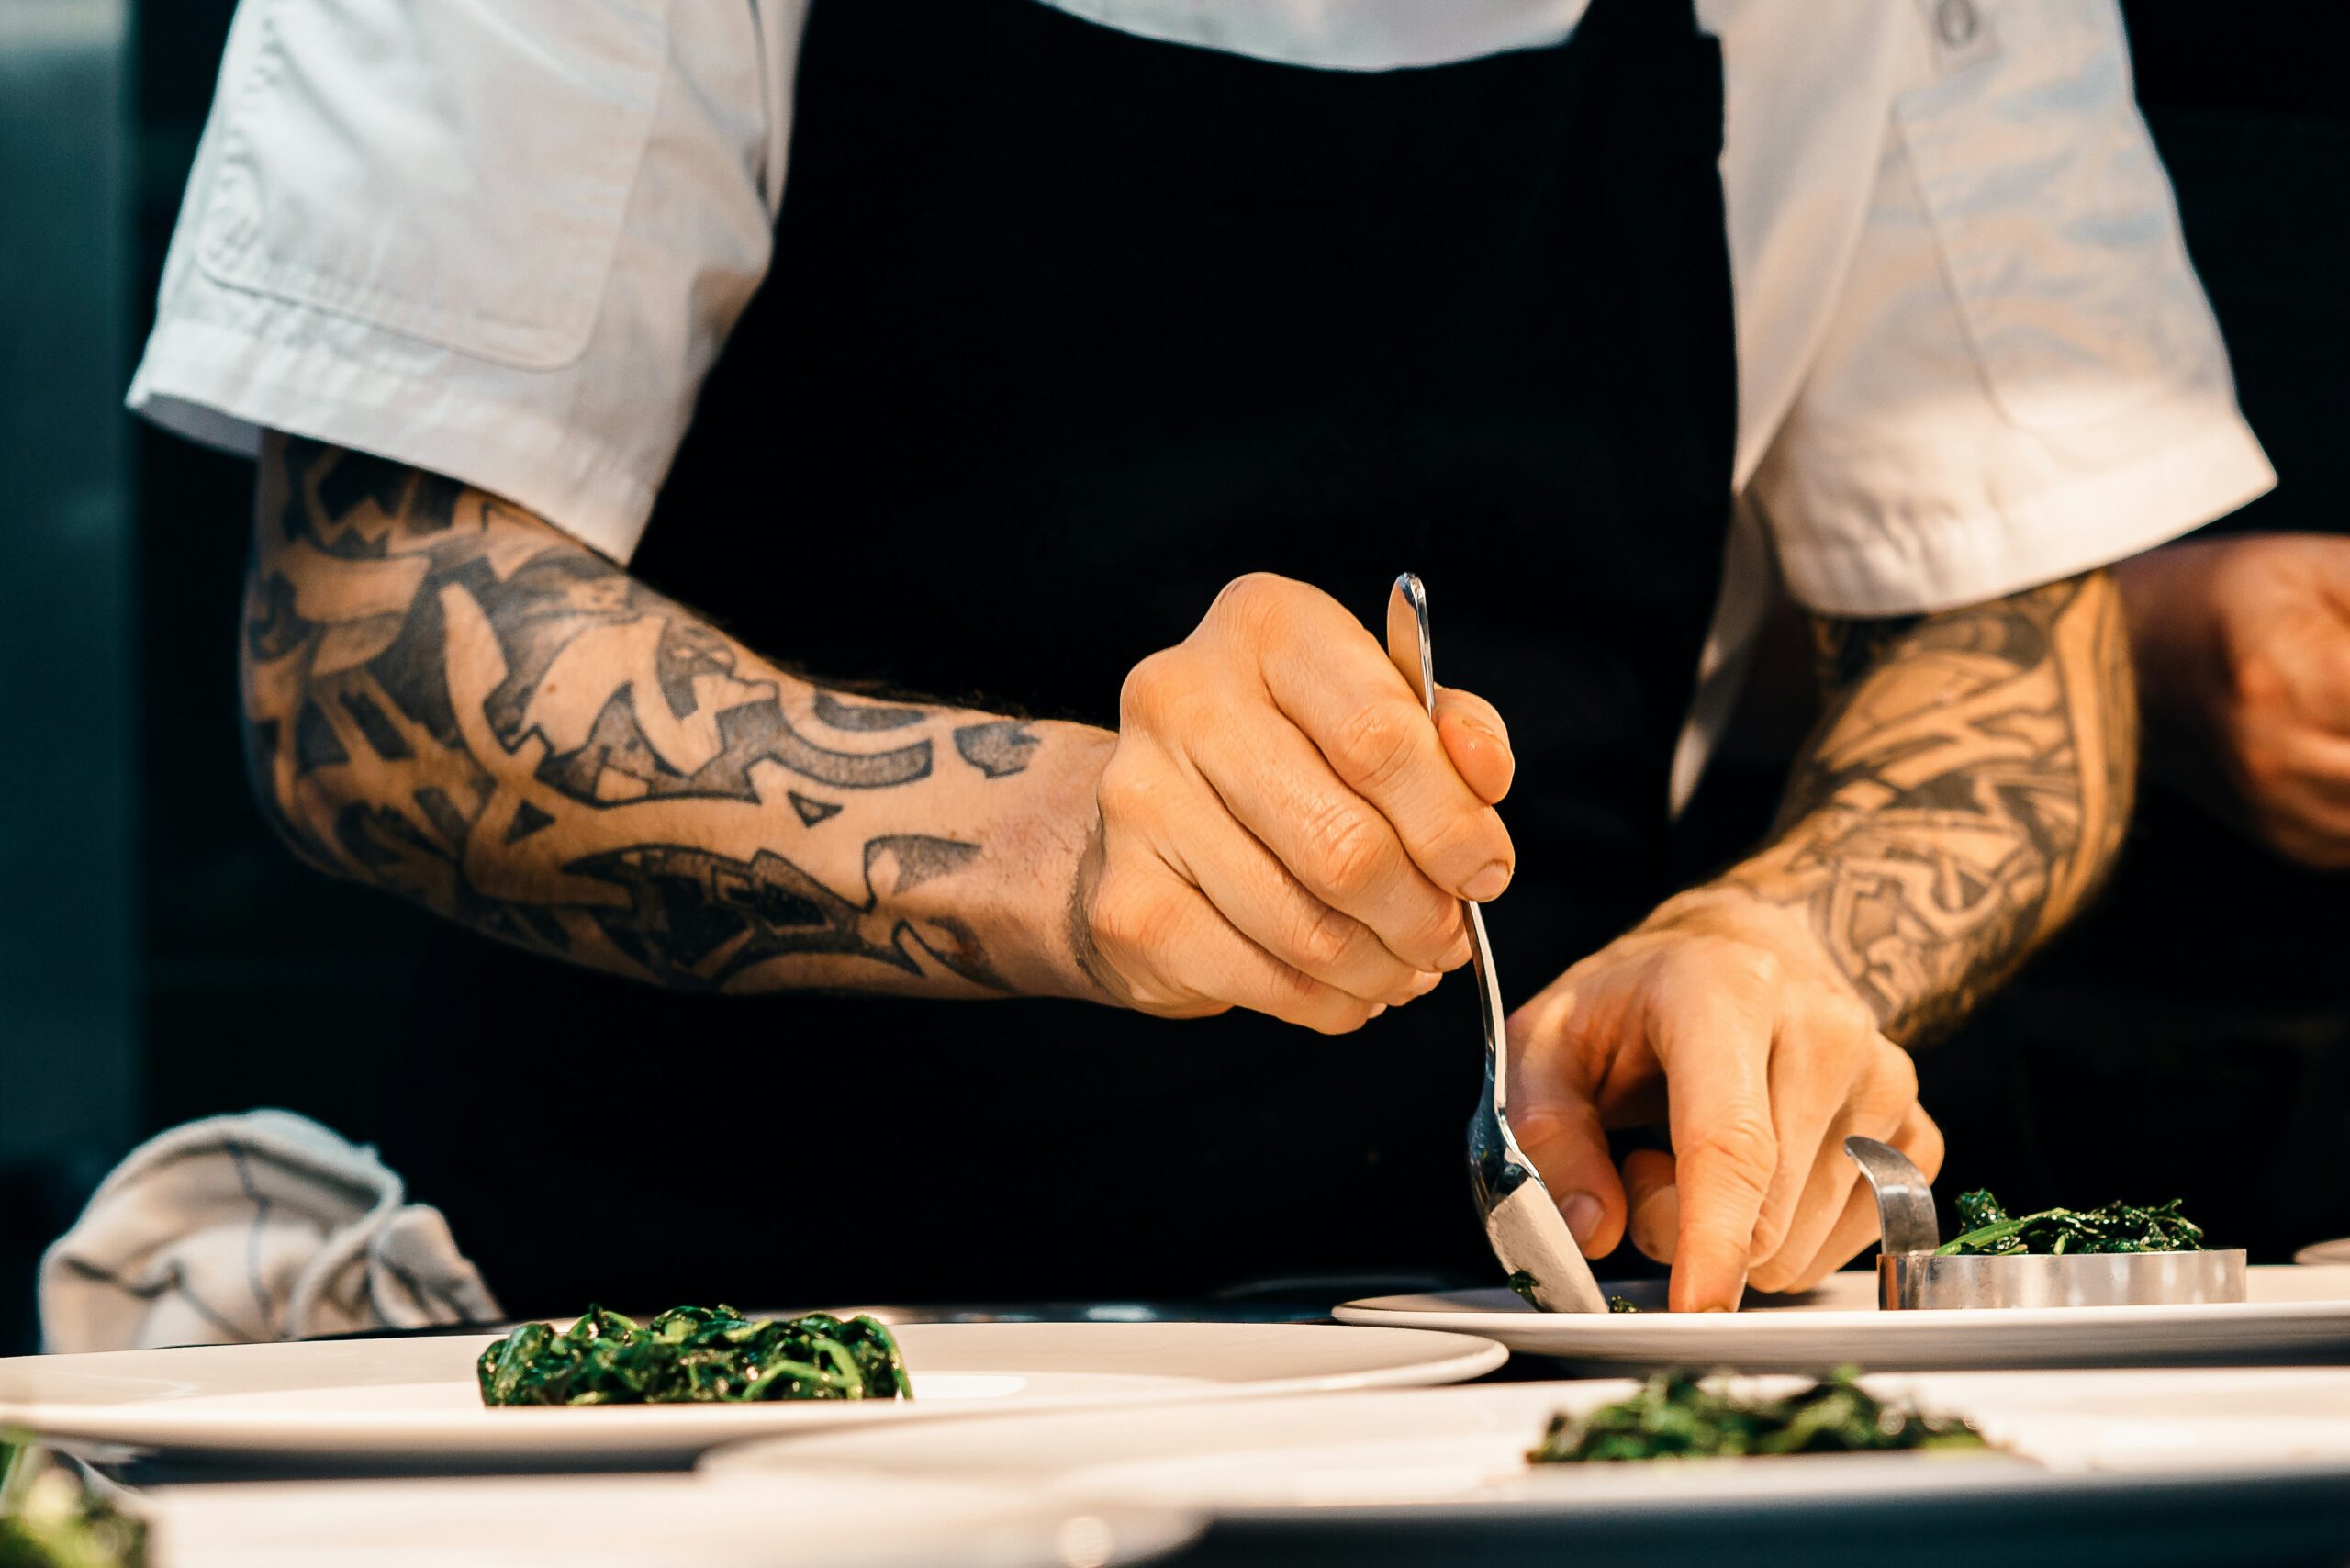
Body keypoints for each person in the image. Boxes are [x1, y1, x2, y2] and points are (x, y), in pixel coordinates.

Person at [129, 0, 2271, 1315]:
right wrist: (1050, 834)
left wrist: (1791, 944)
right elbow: (364, 637)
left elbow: (2003, 598)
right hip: (686, 1362)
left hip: (1510, 1374)